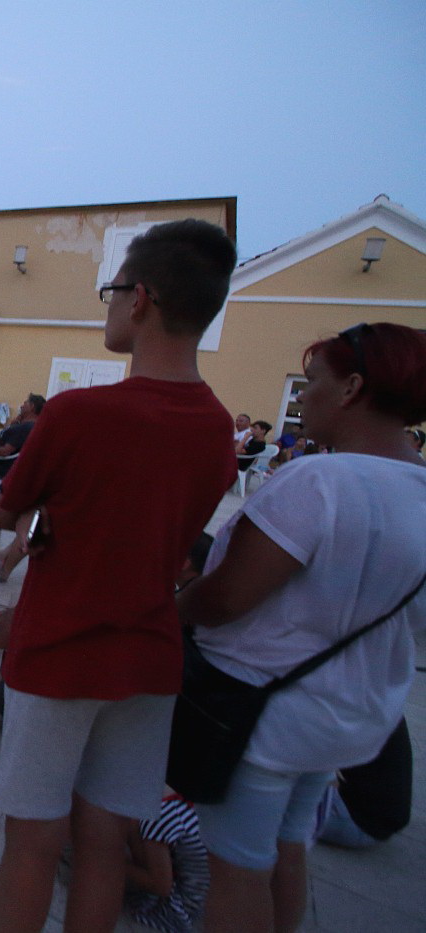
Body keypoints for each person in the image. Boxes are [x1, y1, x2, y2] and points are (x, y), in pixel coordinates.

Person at [0, 219, 239, 933]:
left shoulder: (77, 414)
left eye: (113, 288)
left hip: (61, 651)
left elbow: (7, 511)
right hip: (149, 661)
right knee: (105, 842)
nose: (108, 303)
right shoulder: (218, 426)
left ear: (142, 299)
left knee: (34, 841)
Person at [176, 322, 426, 933]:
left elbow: (230, 595)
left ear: (351, 388)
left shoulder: (321, 481)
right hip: (346, 713)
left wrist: (173, 605)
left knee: (235, 870)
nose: (302, 397)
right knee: (289, 850)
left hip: (263, 714)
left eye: (311, 383)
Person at [313, 718, 412, 849]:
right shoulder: (385, 705)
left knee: (283, 805)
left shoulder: (344, 713)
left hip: (357, 825)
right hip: (383, 821)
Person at [123, 793, 209, 933]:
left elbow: (161, 886)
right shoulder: (201, 807)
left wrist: (117, 864)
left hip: (177, 910)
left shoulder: (161, 815)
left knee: (132, 824)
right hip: (207, 901)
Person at [0, 394, 44, 484]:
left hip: (1, 466)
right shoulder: (34, 426)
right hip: (15, 465)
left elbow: (5, 452)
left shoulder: (24, 428)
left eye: (25, 403)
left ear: (32, 407)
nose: (21, 406)